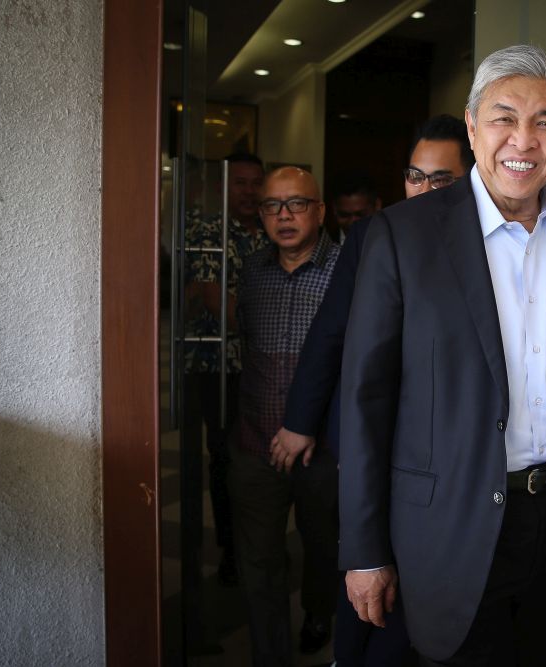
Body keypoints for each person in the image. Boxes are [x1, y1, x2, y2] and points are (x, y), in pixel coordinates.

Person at [338, 45, 546, 666]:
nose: (524, 138)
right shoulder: (402, 237)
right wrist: (364, 550)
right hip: (450, 525)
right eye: (504, 117)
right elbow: (365, 403)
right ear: (471, 125)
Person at [269, 114, 474, 666]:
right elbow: (332, 330)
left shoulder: (486, 245)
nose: (424, 191)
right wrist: (300, 420)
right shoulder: (373, 235)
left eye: (442, 180)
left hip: (447, 446)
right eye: (414, 176)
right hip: (373, 434)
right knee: (364, 561)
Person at [227, 166, 341, 664]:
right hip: (255, 443)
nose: (285, 215)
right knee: (259, 562)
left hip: (322, 449)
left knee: (324, 547)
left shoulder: (345, 272)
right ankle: (269, 656)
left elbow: (358, 364)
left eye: (297, 204)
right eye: (273, 206)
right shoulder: (250, 271)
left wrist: (312, 425)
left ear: (319, 210)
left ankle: (319, 612)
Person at [184, 152, 269, 585]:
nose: (250, 191)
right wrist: (273, 329)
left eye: (256, 183)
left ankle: (259, 548)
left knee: (262, 461)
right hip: (217, 367)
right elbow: (213, 298)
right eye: (241, 183)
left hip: (262, 368)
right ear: (224, 187)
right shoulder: (209, 230)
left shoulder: (269, 232)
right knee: (225, 460)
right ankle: (231, 552)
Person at [328, 168, 381, 243]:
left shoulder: (390, 242)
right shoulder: (326, 246)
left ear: (377, 206)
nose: (352, 222)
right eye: (345, 215)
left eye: (360, 214)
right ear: (335, 209)